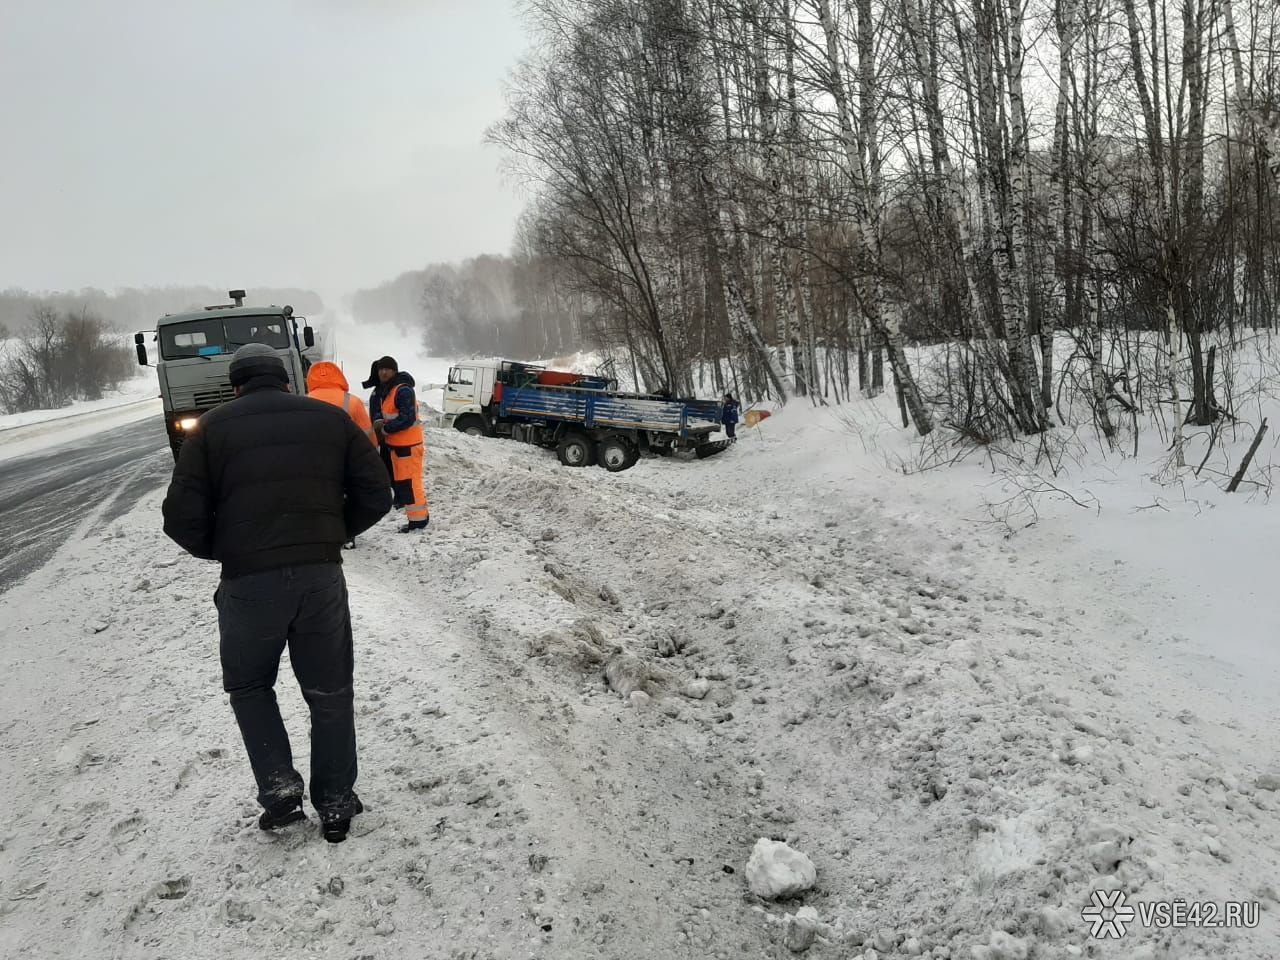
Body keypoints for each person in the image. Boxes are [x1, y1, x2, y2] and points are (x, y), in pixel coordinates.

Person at [161, 343, 391, 843]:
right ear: (286, 379)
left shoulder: (209, 430)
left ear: (236, 384)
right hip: (320, 579)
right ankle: (335, 801)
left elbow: (179, 517)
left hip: (248, 585)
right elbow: (378, 491)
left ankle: (281, 794)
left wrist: (226, 550)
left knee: (249, 687)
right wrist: (329, 534)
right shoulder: (328, 420)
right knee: (330, 693)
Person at [307, 360, 378, 548]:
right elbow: (367, 433)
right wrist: (374, 455)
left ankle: (322, 532)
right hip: (346, 457)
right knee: (347, 494)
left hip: (316, 458)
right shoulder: (351, 401)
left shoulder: (304, 400)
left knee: (322, 495)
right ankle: (347, 535)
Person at [370, 356, 429, 533]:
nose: (383, 372)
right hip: (398, 446)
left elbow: (407, 417)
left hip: (408, 446)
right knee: (405, 484)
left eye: (387, 369)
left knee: (411, 484)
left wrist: (387, 430)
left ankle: (419, 521)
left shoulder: (403, 390)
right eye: (380, 369)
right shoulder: (389, 391)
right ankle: (416, 519)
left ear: (394, 371)